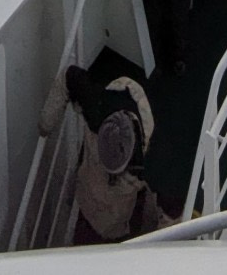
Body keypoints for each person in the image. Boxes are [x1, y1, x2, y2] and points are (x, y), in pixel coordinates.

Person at [37, 62, 164, 244]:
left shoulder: (151, 160)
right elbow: (69, 75)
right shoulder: (97, 108)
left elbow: (171, 207)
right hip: (89, 206)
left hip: (122, 222)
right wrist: (46, 124)